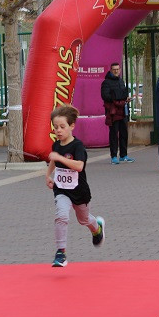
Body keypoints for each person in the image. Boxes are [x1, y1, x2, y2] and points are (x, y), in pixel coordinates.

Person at [45, 105, 104, 268]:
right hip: (61, 189)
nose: (58, 130)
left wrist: (60, 158)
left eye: (62, 127)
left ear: (72, 126)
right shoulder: (56, 145)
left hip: (79, 192)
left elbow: (79, 166)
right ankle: (60, 253)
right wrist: (48, 175)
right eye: (55, 127)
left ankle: (97, 228)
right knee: (61, 216)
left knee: (83, 220)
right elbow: (53, 160)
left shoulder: (77, 146)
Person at [100, 62, 134, 164]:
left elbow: (122, 94)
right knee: (114, 134)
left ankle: (124, 155)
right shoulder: (106, 82)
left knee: (124, 133)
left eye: (117, 69)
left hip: (123, 110)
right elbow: (105, 96)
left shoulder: (121, 81)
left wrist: (126, 99)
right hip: (113, 112)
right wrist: (118, 98)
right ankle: (114, 156)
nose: (116, 71)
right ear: (111, 70)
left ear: (120, 70)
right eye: (114, 69)